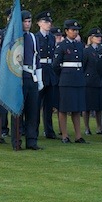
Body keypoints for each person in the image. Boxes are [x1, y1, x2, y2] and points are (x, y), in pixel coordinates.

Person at [9, 10, 44, 150]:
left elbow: (37, 58)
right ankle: (17, 141)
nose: (27, 24)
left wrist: (39, 80)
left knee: (33, 111)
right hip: (19, 76)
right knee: (18, 111)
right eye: (25, 21)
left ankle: (32, 141)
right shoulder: (15, 37)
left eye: (29, 21)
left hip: (32, 75)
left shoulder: (33, 37)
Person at [54, 19, 86, 143]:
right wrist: (64, 75)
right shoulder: (62, 45)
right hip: (66, 80)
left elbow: (83, 61)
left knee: (77, 109)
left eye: (77, 30)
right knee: (64, 108)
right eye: (73, 30)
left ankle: (78, 135)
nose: (75, 32)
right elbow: (56, 65)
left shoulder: (79, 45)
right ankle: (65, 135)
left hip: (78, 79)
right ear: (66, 31)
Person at [34, 11, 58, 139]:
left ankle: (49, 130)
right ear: (39, 23)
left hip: (49, 69)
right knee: (36, 103)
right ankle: (34, 129)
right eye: (45, 22)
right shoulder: (35, 37)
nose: (48, 24)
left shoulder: (52, 37)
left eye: (49, 22)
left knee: (49, 104)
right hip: (40, 69)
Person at [83, 27, 102, 135]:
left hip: (99, 81)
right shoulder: (87, 51)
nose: (99, 38)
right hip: (89, 81)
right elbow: (84, 65)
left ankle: (99, 126)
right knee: (87, 107)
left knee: (99, 107)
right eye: (96, 37)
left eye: (100, 36)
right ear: (91, 38)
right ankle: (86, 127)